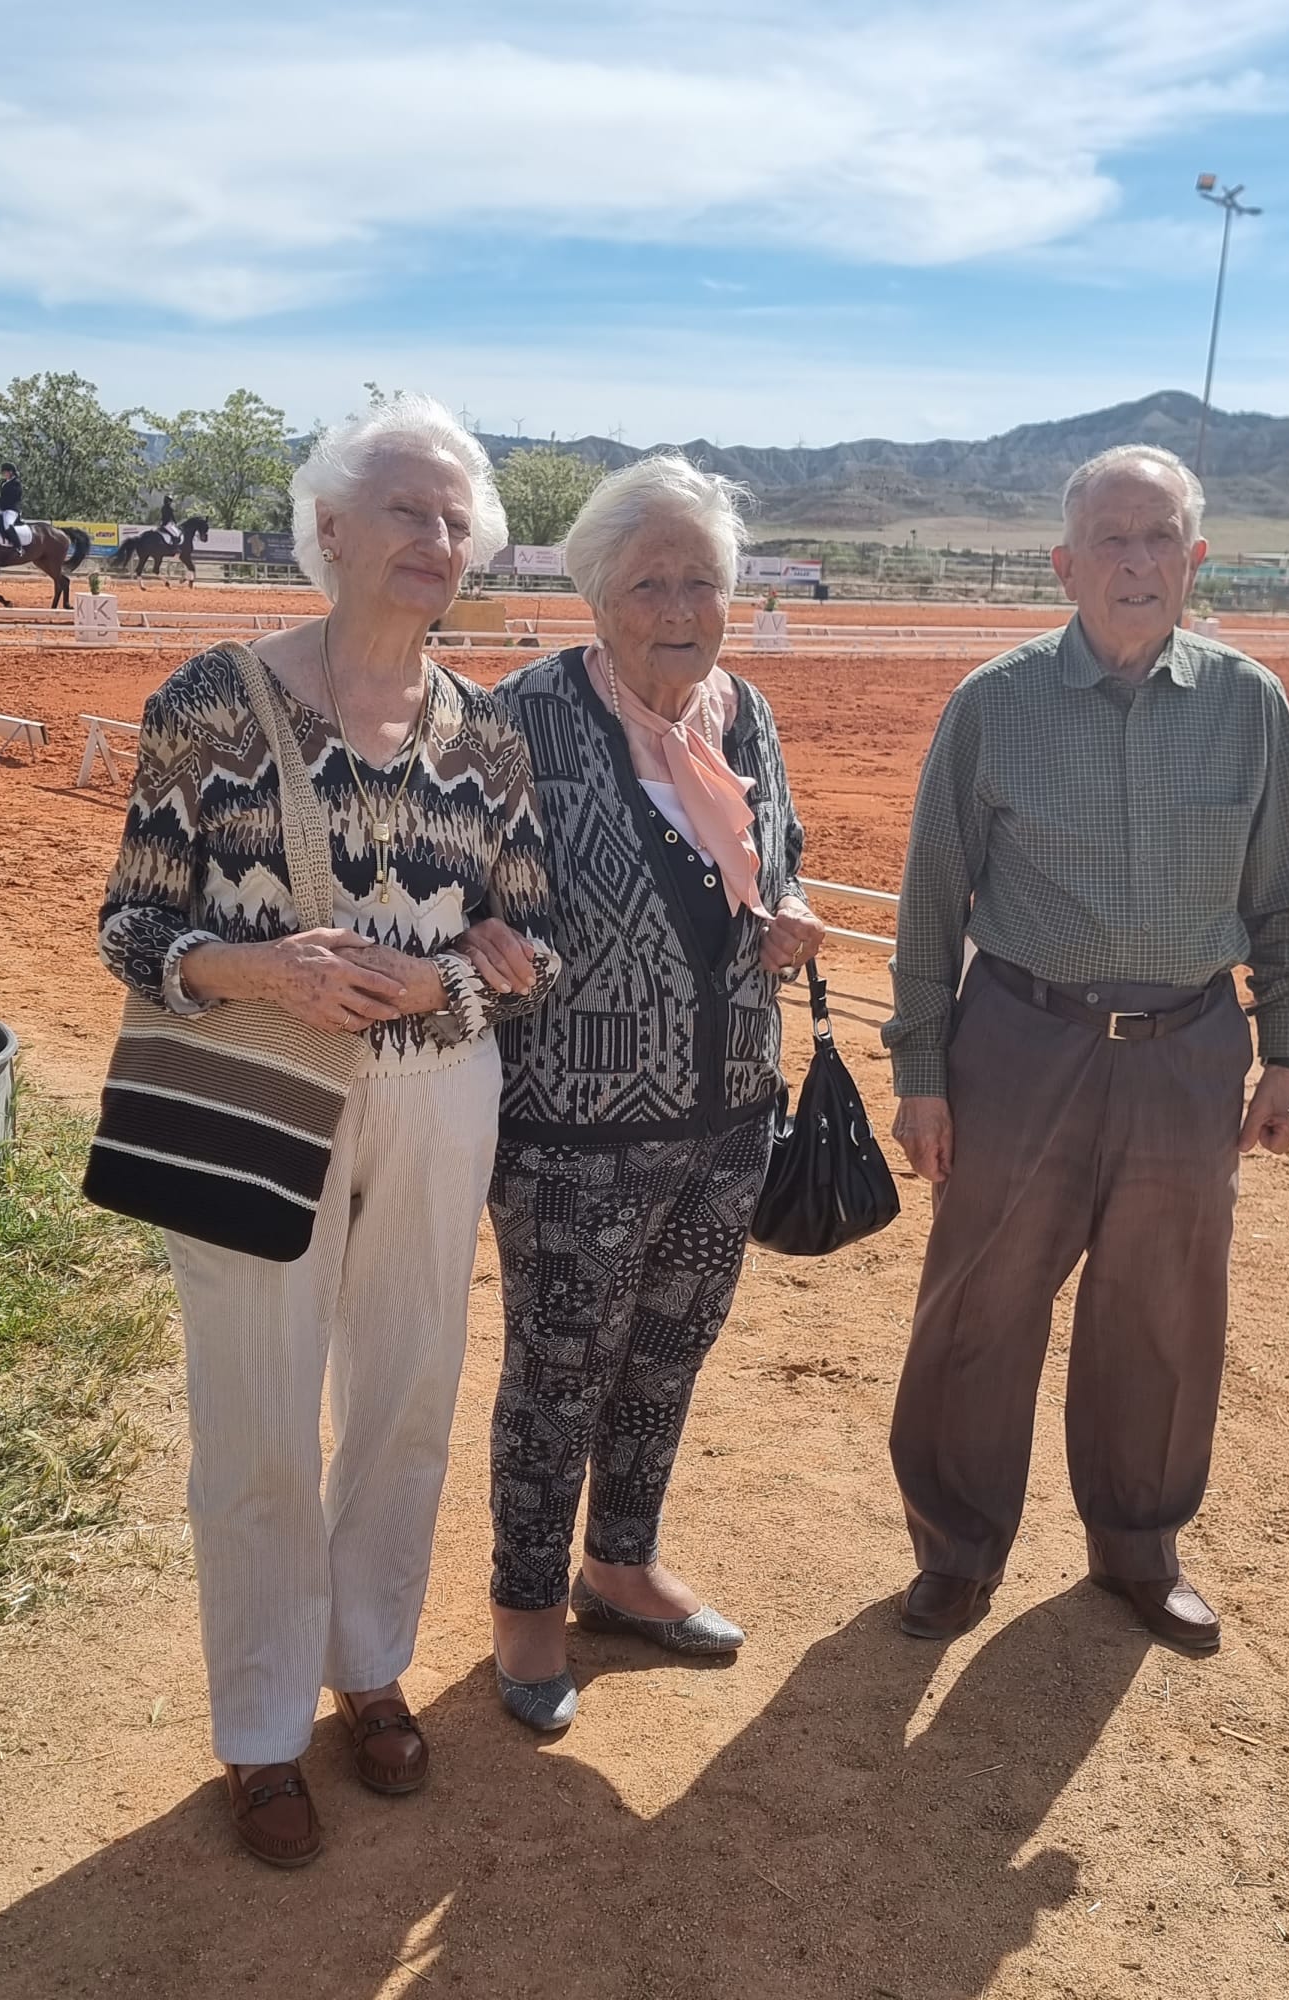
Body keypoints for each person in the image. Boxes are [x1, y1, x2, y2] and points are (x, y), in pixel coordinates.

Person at [97, 394, 556, 1866]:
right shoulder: (209, 705)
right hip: (251, 1081)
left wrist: (464, 975)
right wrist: (257, 966)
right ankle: (256, 1727)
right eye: (406, 511)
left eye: (455, 519)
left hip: (437, 1091)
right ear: (332, 529)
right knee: (254, 1415)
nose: (436, 538)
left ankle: (370, 1662)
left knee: (410, 1397)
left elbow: (524, 935)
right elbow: (130, 927)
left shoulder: (489, 731)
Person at [884, 443, 1289, 1655]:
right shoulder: (994, 703)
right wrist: (921, 1071)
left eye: (1159, 540)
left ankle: (1138, 1546)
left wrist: (1283, 1049)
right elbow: (932, 901)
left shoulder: (1250, 704)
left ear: (1195, 559)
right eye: (1111, 540)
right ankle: (958, 1548)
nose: (1135, 563)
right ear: (1064, 562)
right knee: (981, 1300)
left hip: (1191, 1048)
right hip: (1022, 1038)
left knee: (1165, 1309)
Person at [480, 454, 825, 1730]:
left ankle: (619, 1562)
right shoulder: (517, 717)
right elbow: (459, 890)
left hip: (732, 1104)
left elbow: (778, 846)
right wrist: (481, 940)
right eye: (648, 582)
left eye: (702, 580)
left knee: (669, 1351)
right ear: (592, 594)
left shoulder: (745, 714)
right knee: (559, 1362)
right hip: (571, 1123)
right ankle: (524, 1606)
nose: (679, 606)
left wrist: (784, 903)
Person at [0, 462, 26, 547]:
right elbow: (3, 497)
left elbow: (13, 498)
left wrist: (1, 504)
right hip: (3, 509)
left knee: (7, 523)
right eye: (2, 473)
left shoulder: (16, 483)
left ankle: (18, 546)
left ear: (11, 472)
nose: (3, 474)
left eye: (5, 472)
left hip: (12, 509)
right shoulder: (4, 483)